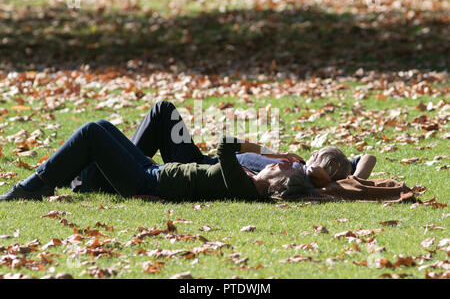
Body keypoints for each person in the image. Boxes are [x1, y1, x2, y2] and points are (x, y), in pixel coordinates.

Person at [68, 101, 376, 195]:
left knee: (151, 125)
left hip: (206, 170)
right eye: (317, 160)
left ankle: (98, 176)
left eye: (322, 166)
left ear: (330, 175)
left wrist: (332, 178)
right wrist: (307, 162)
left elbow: (359, 168)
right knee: (163, 111)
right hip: (199, 159)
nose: (314, 164)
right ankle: (106, 170)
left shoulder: (307, 182)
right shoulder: (300, 165)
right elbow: (367, 156)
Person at [0, 120, 329, 202]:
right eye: (280, 163)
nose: (276, 164)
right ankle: (79, 176)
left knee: (90, 132)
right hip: (152, 171)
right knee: (99, 128)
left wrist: (270, 152)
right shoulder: (248, 184)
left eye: (280, 169)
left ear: (278, 184)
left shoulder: (242, 185)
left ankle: (35, 186)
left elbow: (224, 145)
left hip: (146, 180)